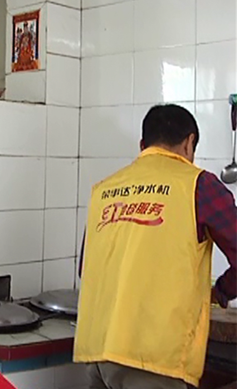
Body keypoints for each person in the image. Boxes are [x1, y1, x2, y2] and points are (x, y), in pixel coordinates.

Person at [74, 104, 237, 389]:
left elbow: (85, 269)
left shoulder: (105, 189)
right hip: (153, 360)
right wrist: (220, 291)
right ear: (189, 143)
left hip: (98, 353)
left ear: (143, 145)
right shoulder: (198, 185)